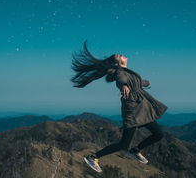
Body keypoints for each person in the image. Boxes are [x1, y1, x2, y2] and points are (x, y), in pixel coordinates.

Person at [70, 41, 168, 173]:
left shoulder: (126, 71)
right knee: (124, 144)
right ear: (118, 64)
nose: (122, 54)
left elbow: (135, 82)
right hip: (133, 111)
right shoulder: (120, 72)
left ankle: (136, 150)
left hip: (143, 110)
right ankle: (93, 157)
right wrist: (124, 85)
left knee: (158, 134)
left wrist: (145, 82)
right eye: (119, 56)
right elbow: (121, 79)